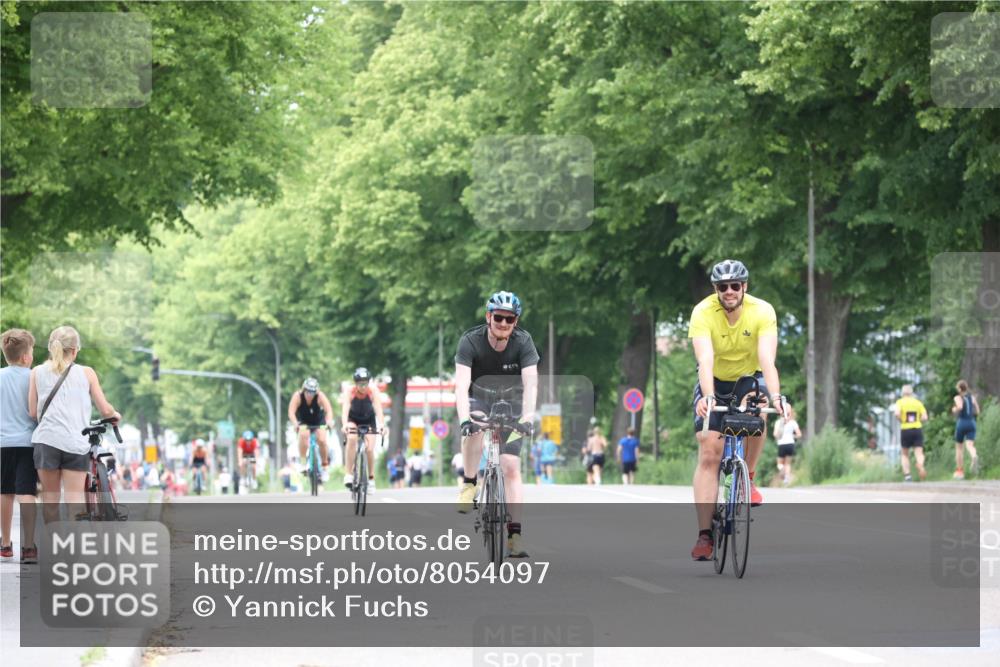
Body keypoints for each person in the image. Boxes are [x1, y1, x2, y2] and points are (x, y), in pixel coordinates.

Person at [688, 260, 789, 561]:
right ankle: (705, 535)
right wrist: (708, 397)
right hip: (714, 380)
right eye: (723, 287)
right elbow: (705, 360)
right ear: (715, 289)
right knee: (710, 451)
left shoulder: (763, 311)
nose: (729, 291)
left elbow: (767, 359)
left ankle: (749, 478)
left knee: (760, 409)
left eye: (735, 286)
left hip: (748, 379)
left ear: (744, 287)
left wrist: (776, 396)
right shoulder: (702, 312)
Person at [455, 290, 539, 558]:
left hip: (512, 403)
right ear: (488, 317)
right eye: (499, 317)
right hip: (478, 398)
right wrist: (464, 420)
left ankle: (514, 536)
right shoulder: (470, 341)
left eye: (509, 319)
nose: (503, 323)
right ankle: (470, 483)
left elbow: (531, 384)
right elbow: (460, 386)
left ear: (516, 322)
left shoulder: (524, 342)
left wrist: (527, 418)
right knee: (474, 429)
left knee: (511, 465)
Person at [28, 326, 121, 525]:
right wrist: (114, 414)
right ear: (74, 350)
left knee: (50, 503)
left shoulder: (36, 372)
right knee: (75, 503)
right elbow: (105, 410)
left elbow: (33, 413)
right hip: (75, 443)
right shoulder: (87, 373)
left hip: (46, 442)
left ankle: (54, 543)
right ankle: (73, 543)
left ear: (51, 348)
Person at [1, 329, 39, 564]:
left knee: (5, 492)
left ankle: (5, 544)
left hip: (3, 444)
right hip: (28, 443)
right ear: (26, 357)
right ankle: (28, 546)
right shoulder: (34, 377)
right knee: (27, 493)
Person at [341, 367, 385, 492]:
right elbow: (345, 408)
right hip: (353, 420)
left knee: (369, 449)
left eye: (366, 383)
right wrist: (344, 424)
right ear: (356, 383)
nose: (363, 386)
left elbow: (378, 408)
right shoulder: (350, 391)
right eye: (360, 384)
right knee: (351, 438)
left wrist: (382, 425)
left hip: (368, 420)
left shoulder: (373, 390)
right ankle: (349, 474)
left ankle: (371, 478)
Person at [288, 377, 335, 476]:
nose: (310, 395)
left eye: (313, 392)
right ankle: (303, 462)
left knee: (322, 440)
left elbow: (329, 410)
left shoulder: (320, 396)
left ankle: (324, 464)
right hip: (304, 421)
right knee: (303, 435)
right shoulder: (298, 396)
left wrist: (329, 421)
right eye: (308, 392)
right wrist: (295, 423)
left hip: (318, 421)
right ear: (304, 390)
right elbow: (291, 412)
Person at [893, 384, 928, 482]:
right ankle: (920, 464)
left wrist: (902, 420)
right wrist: (918, 420)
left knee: (904, 454)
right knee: (919, 452)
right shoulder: (918, 403)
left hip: (905, 429)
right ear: (911, 393)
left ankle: (907, 476)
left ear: (902, 393)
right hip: (917, 429)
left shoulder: (900, 402)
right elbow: (925, 417)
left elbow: (897, 413)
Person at [951, 380, 980, 480]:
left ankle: (960, 471)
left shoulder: (958, 397)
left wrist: (954, 409)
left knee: (959, 448)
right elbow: (977, 411)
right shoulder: (972, 397)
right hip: (972, 423)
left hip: (962, 423)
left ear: (959, 389)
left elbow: (960, 406)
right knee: (970, 445)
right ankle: (974, 456)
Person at [773, 405, 802, 485]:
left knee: (779, 464)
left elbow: (775, 435)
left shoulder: (778, 422)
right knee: (788, 464)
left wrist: (779, 435)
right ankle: (786, 478)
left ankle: (782, 469)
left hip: (782, 444)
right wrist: (792, 436)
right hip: (790, 444)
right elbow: (799, 434)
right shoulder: (793, 422)